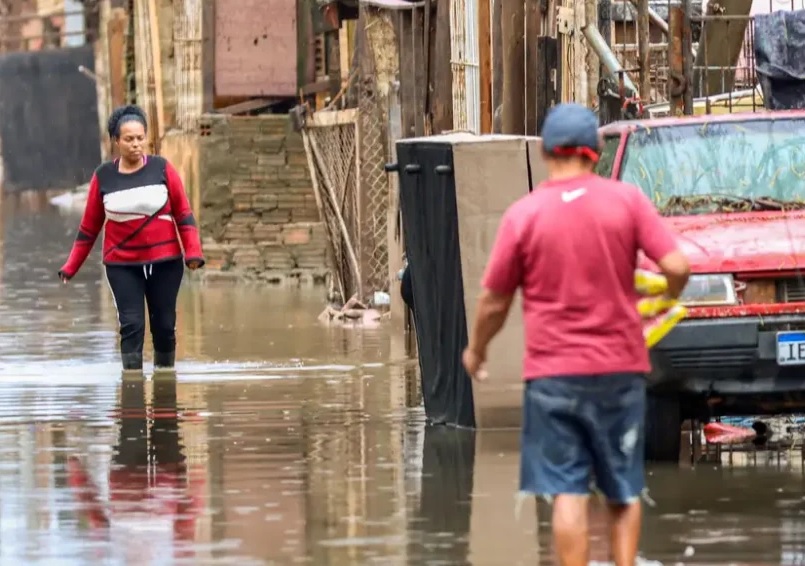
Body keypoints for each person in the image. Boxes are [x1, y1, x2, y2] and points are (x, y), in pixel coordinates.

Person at [462, 103, 690, 566]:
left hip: (553, 376)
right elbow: (677, 266)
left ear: (546, 152)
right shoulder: (626, 202)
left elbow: (494, 302)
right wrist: (665, 296)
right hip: (620, 371)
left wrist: (476, 351)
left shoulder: (524, 215)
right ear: (595, 152)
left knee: (567, 490)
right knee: (622, 487)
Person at [59, 105, 205, 374]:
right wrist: (70, 267)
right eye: (129, 139)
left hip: (166, 262)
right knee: (131, 325)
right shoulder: (104, 176)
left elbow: (184, 215)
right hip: (122, 263)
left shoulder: (162, 169)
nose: (136, 145)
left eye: (140, 138)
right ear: (115, 141)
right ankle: (133, 391)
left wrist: (193, 253)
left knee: (163, 324)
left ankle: (164, 383)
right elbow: (89, 229)